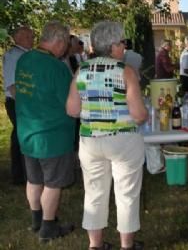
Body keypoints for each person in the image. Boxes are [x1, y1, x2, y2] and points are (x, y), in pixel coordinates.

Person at [66, 21, 147, 250]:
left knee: (94, 192)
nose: (124, 47)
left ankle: (95, 245)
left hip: (90, 141)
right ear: (112, 46)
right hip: (123, 140)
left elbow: (72, 110)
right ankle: (126, 245)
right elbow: (139, 115)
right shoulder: (125, 71)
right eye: (122, 42)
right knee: (127, 192)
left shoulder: (81, 70)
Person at [15, 21, 76, 241]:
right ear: (58, 41)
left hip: (28, 132)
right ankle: (48, 227)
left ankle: (36, 220)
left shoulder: (25, 59)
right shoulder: (56, 67)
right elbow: (70, 103)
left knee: (34, 180)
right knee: (53, 183)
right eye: (65, 44)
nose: (65, 50)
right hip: (52, 136)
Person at [2, 25, 34, 185]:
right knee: (20, 136)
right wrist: (24, 105)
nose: (32, 39)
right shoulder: (14, 55)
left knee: (20, 135)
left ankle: (23, 172)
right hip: (17, 102)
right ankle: (20, 174)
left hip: (22, 101)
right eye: (29, 36)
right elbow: (12, 84)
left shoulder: (24, 54)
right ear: (18, 38)